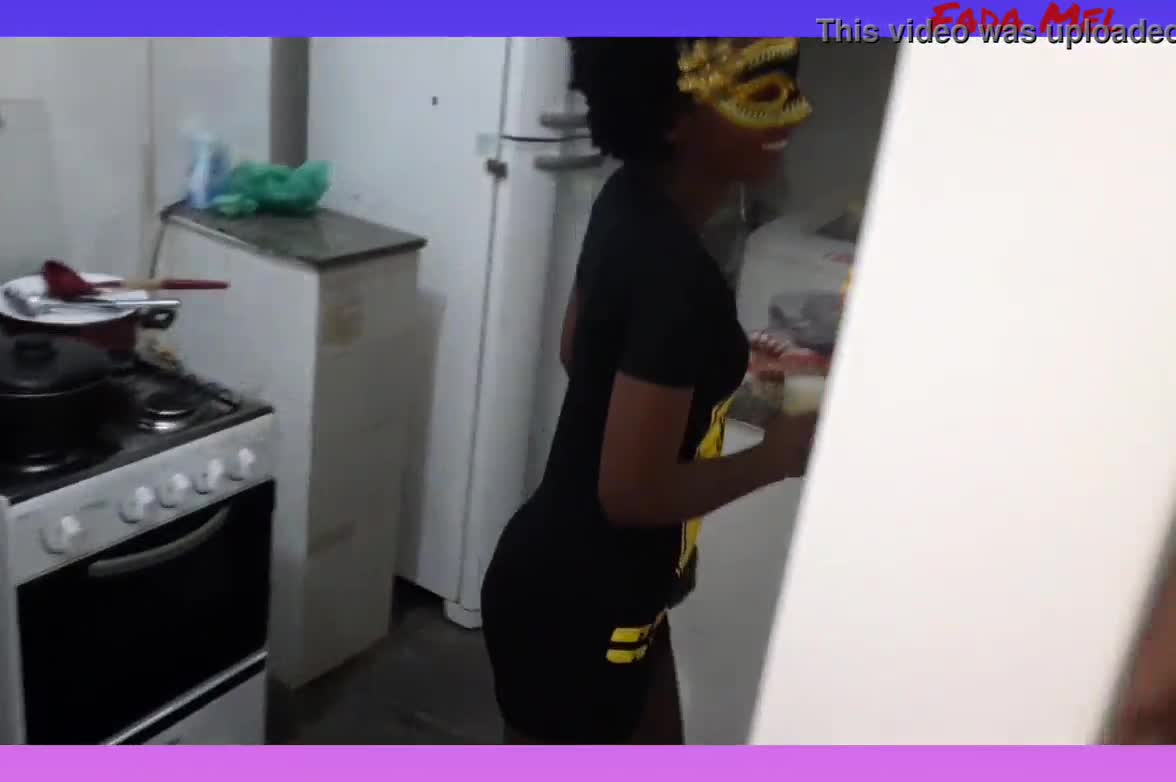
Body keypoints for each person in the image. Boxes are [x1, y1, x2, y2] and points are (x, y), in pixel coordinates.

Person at [480, 37, 820, 745]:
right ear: (673, 117)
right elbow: (632, 495)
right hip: (585, 608)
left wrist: (710, 369)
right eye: (760, 94)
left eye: (790, 84)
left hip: (584, 585)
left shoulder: (627, 201)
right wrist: (777, 456)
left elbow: (581, 349)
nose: (793, 114)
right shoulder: (678, 277)